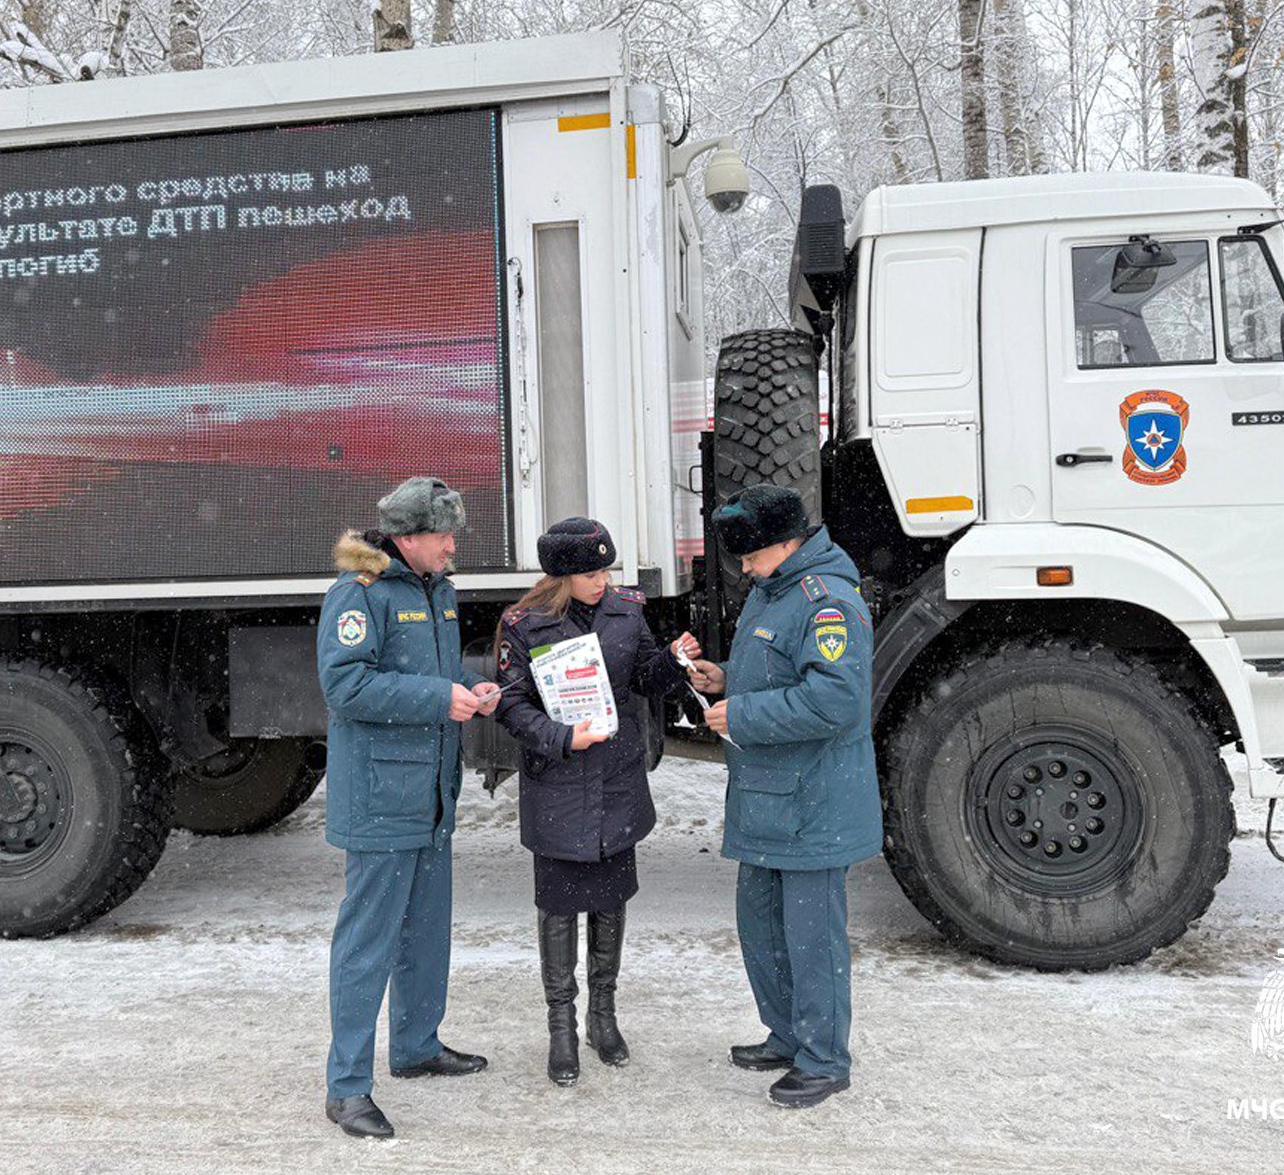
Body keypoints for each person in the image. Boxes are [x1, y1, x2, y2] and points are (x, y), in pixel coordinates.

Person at [317, 476, 502, 1140]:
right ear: (407, 538)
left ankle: (417, 1043)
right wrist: (436, 698)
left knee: (426, 931)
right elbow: (345, 684)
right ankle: (347, 1089)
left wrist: (466, 687)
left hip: (429, 796)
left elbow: (432, 676)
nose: (454, 545)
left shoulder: (438, 590)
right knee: (367, 944)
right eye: (444, 535)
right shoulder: (358, 591)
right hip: (380, 797)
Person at [686, 484, 881, 1110]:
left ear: (787, 544)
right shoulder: (776, 593)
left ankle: (824, 1060)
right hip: (771, 800)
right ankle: (788, 1035)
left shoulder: (828, 603)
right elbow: (782, 674)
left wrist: (742, 713)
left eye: (749, 556)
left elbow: (834, 700)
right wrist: (725, 679)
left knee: (812, 937)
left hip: (812, 804)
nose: (742, 569)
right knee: (761, 927)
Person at [492, 518, 700, 1086]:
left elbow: (646, 678)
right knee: (559, 907)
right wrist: (562, 739)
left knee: (610, 902)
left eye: (605, 569)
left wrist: (676, 661)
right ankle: (561, 1027)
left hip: (614, 782)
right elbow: (511, 706)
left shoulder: (626, 610)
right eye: (589, 573)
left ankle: (602, 1017)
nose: (601, 581)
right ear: (560, 576)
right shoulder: (523, 623)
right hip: (559, 782)